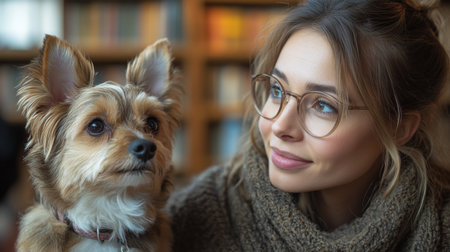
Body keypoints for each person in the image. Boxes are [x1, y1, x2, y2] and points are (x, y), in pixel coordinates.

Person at [166, 0, 450, 250]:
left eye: (323, 105)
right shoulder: (193, 220)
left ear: (398, 127)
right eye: (277, 90)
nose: (279, 125)